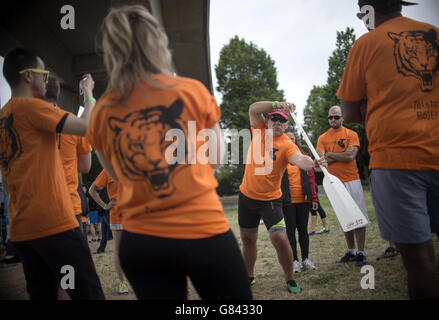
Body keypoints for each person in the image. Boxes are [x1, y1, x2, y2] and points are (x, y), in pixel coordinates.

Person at [85, 4, 252, 300]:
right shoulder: (191, 90)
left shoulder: (102, 112)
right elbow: (215, 159)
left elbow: (115, 173)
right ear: (157, 42)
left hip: (142, 241)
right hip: (203, 230)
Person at [337, 0, 439, 299]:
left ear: (367, 10)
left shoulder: (366, 44)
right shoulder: (434, 32)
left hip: (397, 163)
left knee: (419, 261)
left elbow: (350, 110)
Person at [0, 47, 104, 299]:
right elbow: (84, 127)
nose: (45, 78)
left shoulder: (4, 116)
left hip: (22, 228)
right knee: (89, 294)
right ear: (27, 76)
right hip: (54, 221)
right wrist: (89, 95)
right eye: (42, 73)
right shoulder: (31, 108)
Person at [239, 101, 327, 294]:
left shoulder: (287, 145)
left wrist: (313, 162)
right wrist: (276, 103)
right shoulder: (258, 129)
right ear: (268, 120)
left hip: (270, 200)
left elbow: (300, 160)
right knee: (247, 239)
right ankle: (249, 276)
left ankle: (290, 278)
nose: (277, 122)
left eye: (282, 120)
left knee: (280, 238)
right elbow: (253, 108)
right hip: (246, 197)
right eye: (274, 117)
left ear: (287, 125)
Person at [316, 106, 370, 267]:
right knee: (344, 218)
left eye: (336, 117)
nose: (333, 120)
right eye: (330, 117)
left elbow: (350, 156)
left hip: (352, 180)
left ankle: (361, 252)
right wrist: (336, 156)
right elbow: (321, 162)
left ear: (342, 118)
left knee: (358, 216)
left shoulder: (351, 134)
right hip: (334, 183)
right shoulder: (322, 138)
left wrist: (330, 154)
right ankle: (351, 251)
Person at [44, 75, 93, 237]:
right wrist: (88, 94)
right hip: (67, 207)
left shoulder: (24, 121)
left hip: (35, 209)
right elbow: (85, 167)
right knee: (74, 261)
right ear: (57, 94)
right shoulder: (73, 125)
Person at [281, 133, 318, 273]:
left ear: (295, 140)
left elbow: (311, 177)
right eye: (288, 138)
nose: (290, 141)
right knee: (290, 232)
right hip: (287, 201)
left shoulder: (300, 157)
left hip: (303, 199)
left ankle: (306, 259)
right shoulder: (281, 156)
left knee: (303, 231)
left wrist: (314, 198)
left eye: (293, 139)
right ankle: (294, 261)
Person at [89, 169, 128, 295]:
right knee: (118, 250)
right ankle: (123, 284)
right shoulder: (108, 169)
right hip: (117, 215)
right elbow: (92, 190)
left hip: (135, 214)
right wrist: (105, 206)